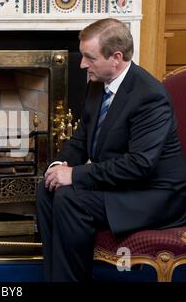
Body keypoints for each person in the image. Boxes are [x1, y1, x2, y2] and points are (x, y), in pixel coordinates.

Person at [36, 18, 186, 281]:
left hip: (153, 195)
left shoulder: (149, 97)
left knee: (71, 198)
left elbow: (139, 165)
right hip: (119, 185)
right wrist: (58, 166)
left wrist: (76, 175)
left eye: (89, 57)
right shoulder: (97, 85)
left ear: (116, 57)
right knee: (47, 189)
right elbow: (81, 139)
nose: (82, 64)